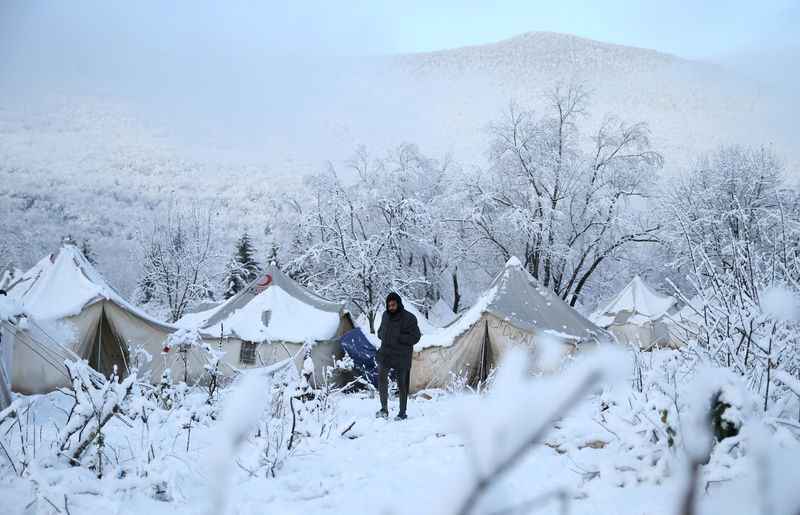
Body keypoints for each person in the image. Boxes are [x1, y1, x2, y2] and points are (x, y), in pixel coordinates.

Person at [375, 292, 421, 421]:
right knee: (381, 378)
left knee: (402, 384)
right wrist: (382, 335)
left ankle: (402, 412)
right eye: (389, 305)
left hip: (401, 355)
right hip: (385, 354)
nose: (391, 308)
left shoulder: (409, 318)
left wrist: (399, 338)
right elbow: (380, 331)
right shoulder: (385, 315)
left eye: (393, 305)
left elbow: (416, 336)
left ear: (399, 304)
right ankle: (384, 407)